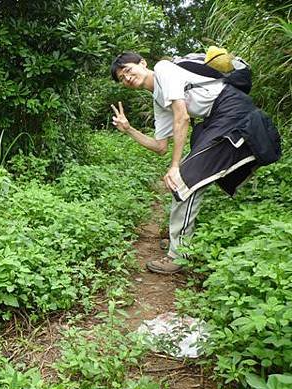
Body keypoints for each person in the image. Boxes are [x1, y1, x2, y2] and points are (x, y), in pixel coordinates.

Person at [109, 52, 280, 274]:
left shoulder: (163, 69)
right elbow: (160, 147)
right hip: (215, 118)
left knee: (184, 180)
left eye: (129, 70)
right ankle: (179, 241)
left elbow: (183, 117)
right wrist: (129, 129)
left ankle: (178, 255)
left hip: (230, 109)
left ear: (143, 63)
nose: (127, 78)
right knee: (186, 178)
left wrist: (175, 166)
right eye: (122, 78)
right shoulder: (159, 99)